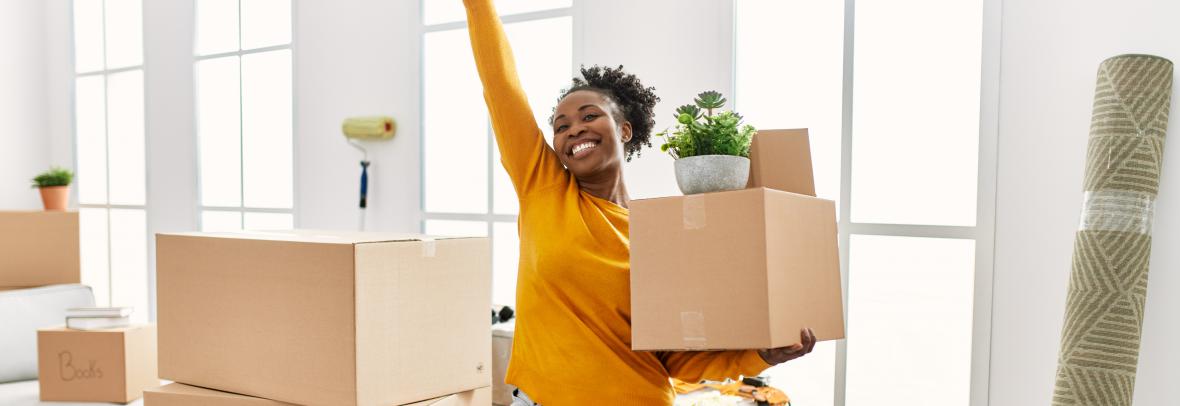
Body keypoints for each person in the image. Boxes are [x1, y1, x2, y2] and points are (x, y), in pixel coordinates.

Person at [462, 1, 816, 404]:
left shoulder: (661, 231)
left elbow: (675, 358)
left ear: (625, 129)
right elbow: (501, 86)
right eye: (560, 127)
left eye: (589, 116)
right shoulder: (542, 189)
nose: (573, 129)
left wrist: (759, 355)